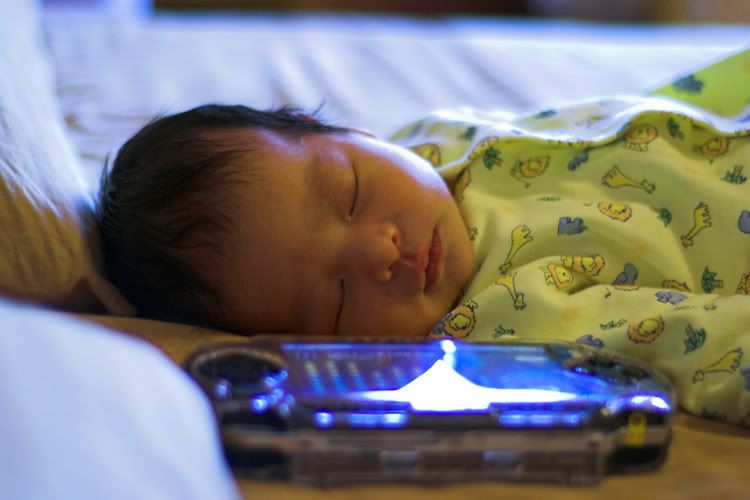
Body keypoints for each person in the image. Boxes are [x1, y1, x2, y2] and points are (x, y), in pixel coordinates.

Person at [97, 49, 750, 425]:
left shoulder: (433, 140)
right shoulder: (516, 326)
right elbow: (703, 345)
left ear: (348, 133)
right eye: (336, 300)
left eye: (350, 193)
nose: (380, 252)